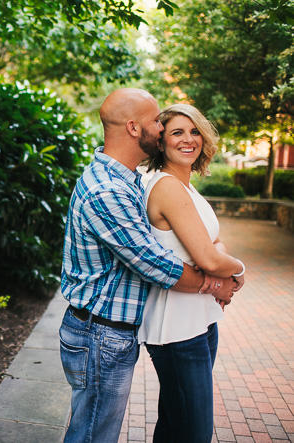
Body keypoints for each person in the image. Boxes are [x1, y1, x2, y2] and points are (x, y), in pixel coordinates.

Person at [59, 88, 238, 443]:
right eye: (157, 121)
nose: (161, 127)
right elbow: (157, 265)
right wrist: (222, 282)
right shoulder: (107, 190)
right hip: (101, 334)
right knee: (93, 436)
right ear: (133, 127)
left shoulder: (129, 181)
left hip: (111, 332)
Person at [138, 103, 245, 442]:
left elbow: (214, 245)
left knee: (174, 426)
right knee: (194, 433)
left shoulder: (185, 186)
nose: (188, 139)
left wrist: (215, 259)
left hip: (200, 321)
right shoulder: (166, 186)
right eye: (177, 133)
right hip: (177, 331)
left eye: (194, 131)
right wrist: (238, 270)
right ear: (161, 142)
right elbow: (210, 258)